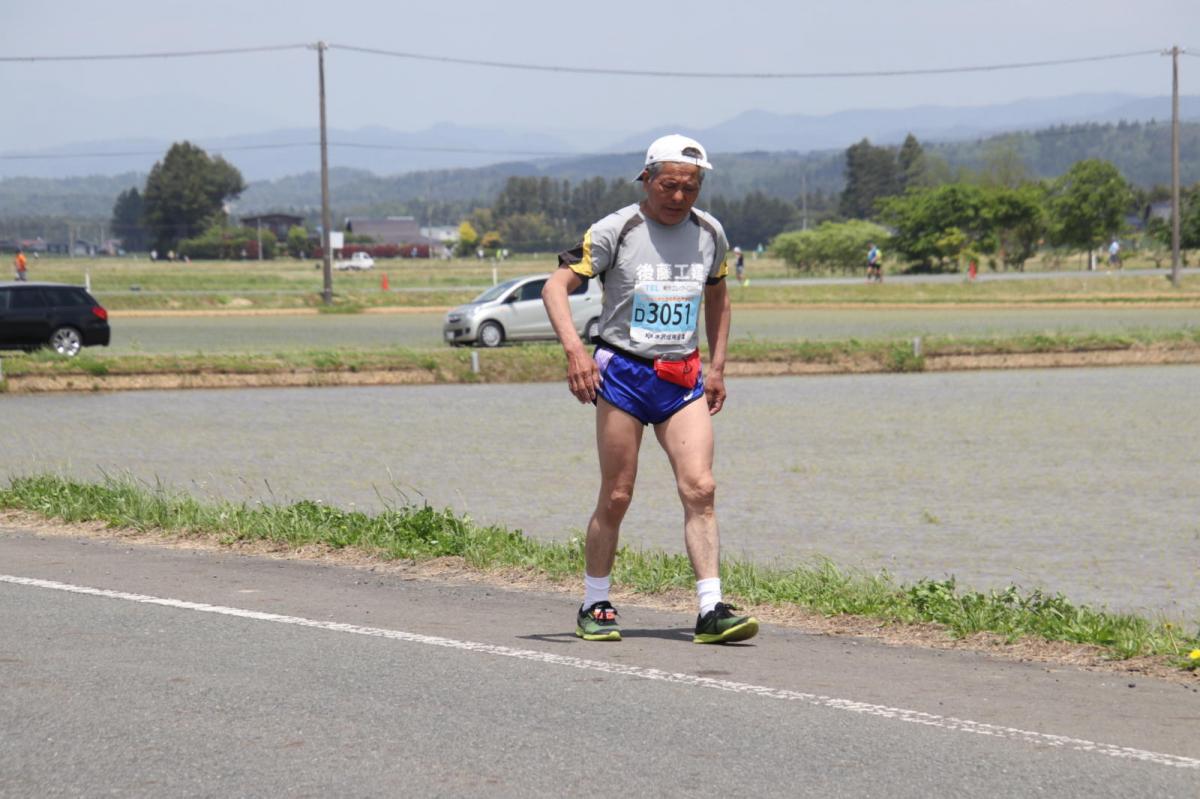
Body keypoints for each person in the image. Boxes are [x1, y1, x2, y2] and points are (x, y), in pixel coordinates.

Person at [542, 134, 759, 645]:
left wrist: (717, 367)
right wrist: (575, 352)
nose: (679, 197)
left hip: (681, 375)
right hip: (623, 373)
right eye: (668, 186)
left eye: (690, 188)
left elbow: (719, 297)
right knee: (617, 495)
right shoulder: (617, 229)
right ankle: (595, 602)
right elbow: (555, 288)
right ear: (646, 180)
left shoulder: (710, 233)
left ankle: (710, 609)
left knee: (700, 487)